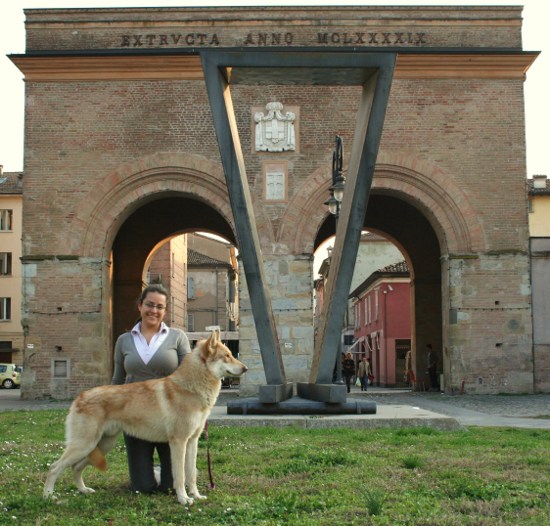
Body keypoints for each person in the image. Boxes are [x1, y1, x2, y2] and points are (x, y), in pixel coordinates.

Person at [112, 284, 191, 494]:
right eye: (149, 305)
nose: (153, 311)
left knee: (170, 488)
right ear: (140, 306)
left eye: (159, 307)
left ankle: (166, 475)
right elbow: (118, 380)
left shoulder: (177, 337)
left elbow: (189, 375)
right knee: (143, 488)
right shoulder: (123, 340)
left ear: (165, 311)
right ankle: (149, 475)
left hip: (170, 417)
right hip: (135, 417)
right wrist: (112, 411)